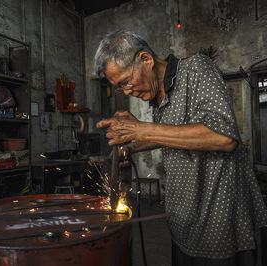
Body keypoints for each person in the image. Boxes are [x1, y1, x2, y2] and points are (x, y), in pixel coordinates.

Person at [94, 31, 267, 266]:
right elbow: (174, 134)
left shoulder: (196, 69)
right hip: (183, 221)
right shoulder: (157, 95)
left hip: (219, 219)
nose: (126, 91)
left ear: (146, 59)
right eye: (119, 87)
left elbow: (224, 137)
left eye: (125, 81)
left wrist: (140, 129)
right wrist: (132, 147)